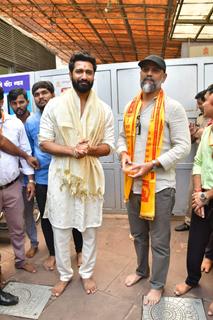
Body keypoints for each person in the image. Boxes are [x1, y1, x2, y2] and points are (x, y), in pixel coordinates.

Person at [39, 52, 114, 296]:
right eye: (79, 71)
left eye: (88, 72)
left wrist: (89, 149)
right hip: (62, 177)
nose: (84, 75)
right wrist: (72, 150)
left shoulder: (103, 110)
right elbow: (44, 142)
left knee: (89, 228)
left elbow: (108, 146)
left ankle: (87, 273)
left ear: (94, 76)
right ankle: (64, 275)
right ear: (71, 73)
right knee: (60, 228)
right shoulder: (54, 105)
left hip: (90, 177)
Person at [117, 55, 191, 305]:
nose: (149, 74)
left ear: (164, 77)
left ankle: (157, 284)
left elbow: (183, 146)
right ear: (140, 74)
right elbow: (121, 138)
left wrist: (153, 164)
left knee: (159, 241)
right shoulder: (131, 106)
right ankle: (141, 271)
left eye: (155, 71)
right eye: (145, 70)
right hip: (133, 185)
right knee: (138, 236)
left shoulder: (173, 107)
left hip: (160, 188)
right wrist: (123, 153)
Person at [26, 81, 84, 270]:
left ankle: (80, 251)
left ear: (53, 94)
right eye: (37, 94)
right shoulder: (31, 122)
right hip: (43, 178)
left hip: (66, 174)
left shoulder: (66, 115)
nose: (41, 97)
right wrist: (31, 178)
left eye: (45, 93)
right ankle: (53, 254)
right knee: (46, 217)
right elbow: (29, 151)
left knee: (74, 214)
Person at [174, 85, 213, 317]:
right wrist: (199, 193)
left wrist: (207, 195)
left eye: (207, 101)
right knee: (196, 242)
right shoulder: (207, 130)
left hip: (210, 195)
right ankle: (191, 280)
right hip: (204, 196)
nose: (203, 104)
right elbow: (198, 161)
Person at [0, 86, 36, 273]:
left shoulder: (15, 124)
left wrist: (30, 180)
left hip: (13, 185)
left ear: (0, 102)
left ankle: (20, 261)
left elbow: (26, 153)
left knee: (17, 227)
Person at [8, 88, 39, 258]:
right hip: (20, 177)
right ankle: (34, 243)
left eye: (21, 102)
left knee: (49, 211)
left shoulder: (36, 120)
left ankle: (55, 250)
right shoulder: (9, 123)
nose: (18, 106)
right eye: (14, 103)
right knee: (27, 213)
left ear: (27, 101)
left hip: (41, 174)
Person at [175, 89, 208, 232]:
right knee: (193, 193)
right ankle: (189, 222)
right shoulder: (201, 118)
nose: (199, 106)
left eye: (201, 103)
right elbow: (194, 139)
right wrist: (192, 132)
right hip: (200, 162)